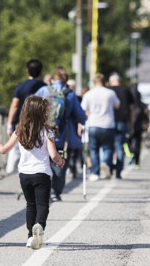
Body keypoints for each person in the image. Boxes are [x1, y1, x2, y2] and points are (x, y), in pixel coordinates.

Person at [0, 96, 65, 250]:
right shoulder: (47, 131)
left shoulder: (20, 130)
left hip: (25, 175)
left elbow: (4, 150)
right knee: (43, 205)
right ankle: (39, 226)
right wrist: (60, 162)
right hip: (42, 174)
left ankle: (31, 236)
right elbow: (54, 155)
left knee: (30, 205)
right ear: (42, 113)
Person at [34, 67, 86, 201]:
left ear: (52, 78)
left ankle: (40, 191)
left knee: (42, 162)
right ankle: (54, 191)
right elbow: (80, 116)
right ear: (66, 81)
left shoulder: (43, 90)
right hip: (63, 137)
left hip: (43, 135)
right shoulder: (69, 94)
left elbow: (31, 109)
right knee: (60, 164)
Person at [6, 59, 46, 174]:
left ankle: (10, 173)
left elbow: (14, 105)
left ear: (27, 71)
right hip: (39, 125)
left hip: (21, 123)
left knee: (15, 151)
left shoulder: (21, 86)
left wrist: (9, 124)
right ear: (41, 71)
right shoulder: (44, 87)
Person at [81, 73, 120, 181]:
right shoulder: (110, 93)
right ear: (103, 81)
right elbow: (117, 105)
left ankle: (95, 172)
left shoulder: (88, 94)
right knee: (108, 148)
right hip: (108, 124)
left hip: (93, 124)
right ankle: (105, 161)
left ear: (93, 82)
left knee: (93, 149)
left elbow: (83, 110)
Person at [107, 73, 134, 179]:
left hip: (109, 122)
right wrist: (131, 124)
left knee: (109, 145)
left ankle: (109, 167)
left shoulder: (108, 91)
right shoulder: (126, 90)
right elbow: (131, 109)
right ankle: (118, 171)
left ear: (111, 81)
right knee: (120, 146)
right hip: (123, 121)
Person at [128, 82, 148, 169]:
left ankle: (130, 153)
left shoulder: (128, 102)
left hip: (129, 126)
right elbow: (146, 116)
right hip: (139, 127)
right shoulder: (142, 105)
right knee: (138, 144)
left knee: (127, 142)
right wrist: (147, 124)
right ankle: (137, 162)